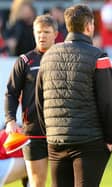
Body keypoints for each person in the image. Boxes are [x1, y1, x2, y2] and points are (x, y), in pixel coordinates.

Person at [35, 4, 112, 187]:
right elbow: (108, 103)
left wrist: (49, 133)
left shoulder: (47, 56)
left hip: (56, 140)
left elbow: (39, 101)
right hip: (88, 140)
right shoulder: (98, 56)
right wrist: (109, 138)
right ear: (89, 26)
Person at [4, 14, 58, 187]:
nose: (42, 36)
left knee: (64, 182)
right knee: (36, 182)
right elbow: (11, 93)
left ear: (55, 33)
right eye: (38, 32)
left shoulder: (64, 60)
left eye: (46, 32)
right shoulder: (25, 61)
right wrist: (10, 120)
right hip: (33, 131)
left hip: (61, 131)